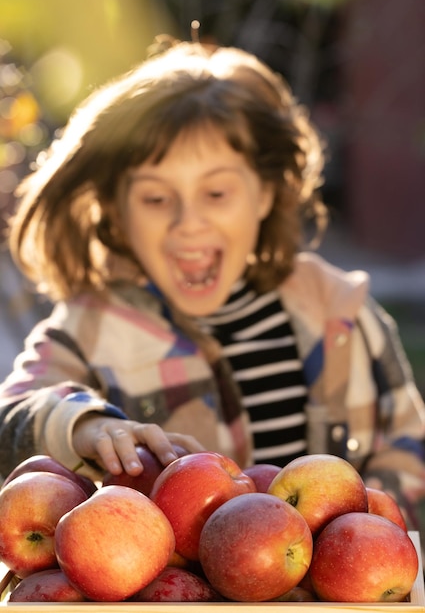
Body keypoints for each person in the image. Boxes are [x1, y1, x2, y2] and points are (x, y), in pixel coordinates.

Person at [0, 36, 424, 534]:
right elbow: (12, 419)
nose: (188, 222)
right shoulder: (91, 327)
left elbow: (407, 441)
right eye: (156, 199)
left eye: (217, 192)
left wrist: (361, 529)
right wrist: (84, 425)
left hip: (328, 597)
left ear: (265, 193)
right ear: (116, 212)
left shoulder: (341, 310)